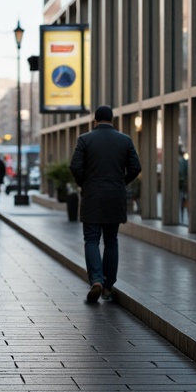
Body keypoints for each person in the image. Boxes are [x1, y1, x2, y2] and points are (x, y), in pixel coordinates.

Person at [70, 105, 141, 305]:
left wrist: (86, 183)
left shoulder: (85, 139)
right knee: (111, 241)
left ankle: (96, 280)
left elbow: (75, 166)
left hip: (92, 196)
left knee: (91, 239)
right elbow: (136, 167)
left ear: (95, 121)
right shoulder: (124, 140)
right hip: (115, 197)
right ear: (112, 120)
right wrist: (121, 183)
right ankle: (109, 286)